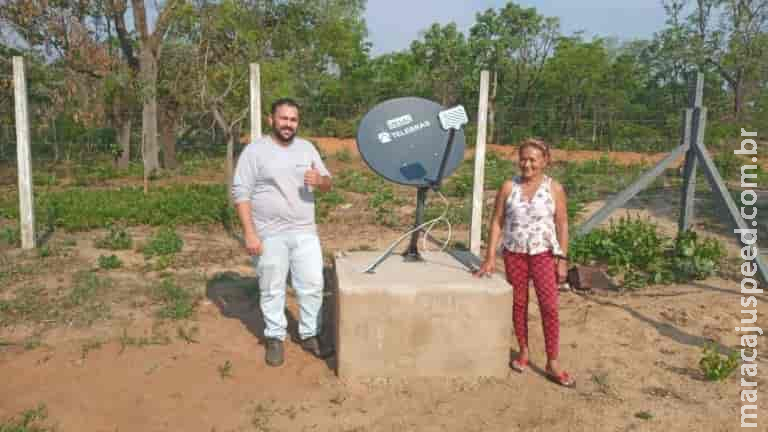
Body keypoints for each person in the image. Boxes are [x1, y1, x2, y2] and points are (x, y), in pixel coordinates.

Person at [232, 98, 333, 367]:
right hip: (269, 233)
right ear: (271, 120)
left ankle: (310, 334)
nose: (289, 124)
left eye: (293, 120)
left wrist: (320, 180)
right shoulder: (255, 152)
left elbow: (328, 183)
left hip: (304, 231)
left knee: (313, 284)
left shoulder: (307, 148)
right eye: (284, 119)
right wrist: (250, 234)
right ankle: (275, 337)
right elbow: (241, 193)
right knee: (272, 287)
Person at [474, 138, 575, 387]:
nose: (527, 164)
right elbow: (497, 221)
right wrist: (489, 258)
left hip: (543, 254)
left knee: (549, 307)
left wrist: (562, 258)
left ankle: (553, 362)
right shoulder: (509, 187)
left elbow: (562, 223)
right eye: (523, 159)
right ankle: (524, 351)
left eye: (533, 159)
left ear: (544, 161)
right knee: (518, 304)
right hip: (514, 253)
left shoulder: (554, 188)